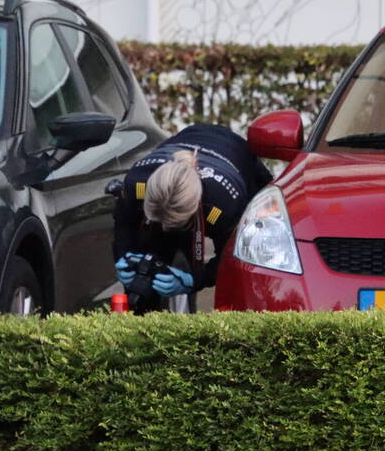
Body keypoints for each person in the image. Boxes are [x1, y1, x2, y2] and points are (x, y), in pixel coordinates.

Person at [112, 123, 273, 311]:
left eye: (173, 223)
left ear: (196, 207)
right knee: (154, 245)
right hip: (189, 136)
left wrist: (194, 281)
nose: (164, 228)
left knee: (252, 265)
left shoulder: (221, 205)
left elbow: (229, 259)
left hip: (239, 158)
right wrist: (123, 258)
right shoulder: (137, 182)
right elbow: (123, 222)